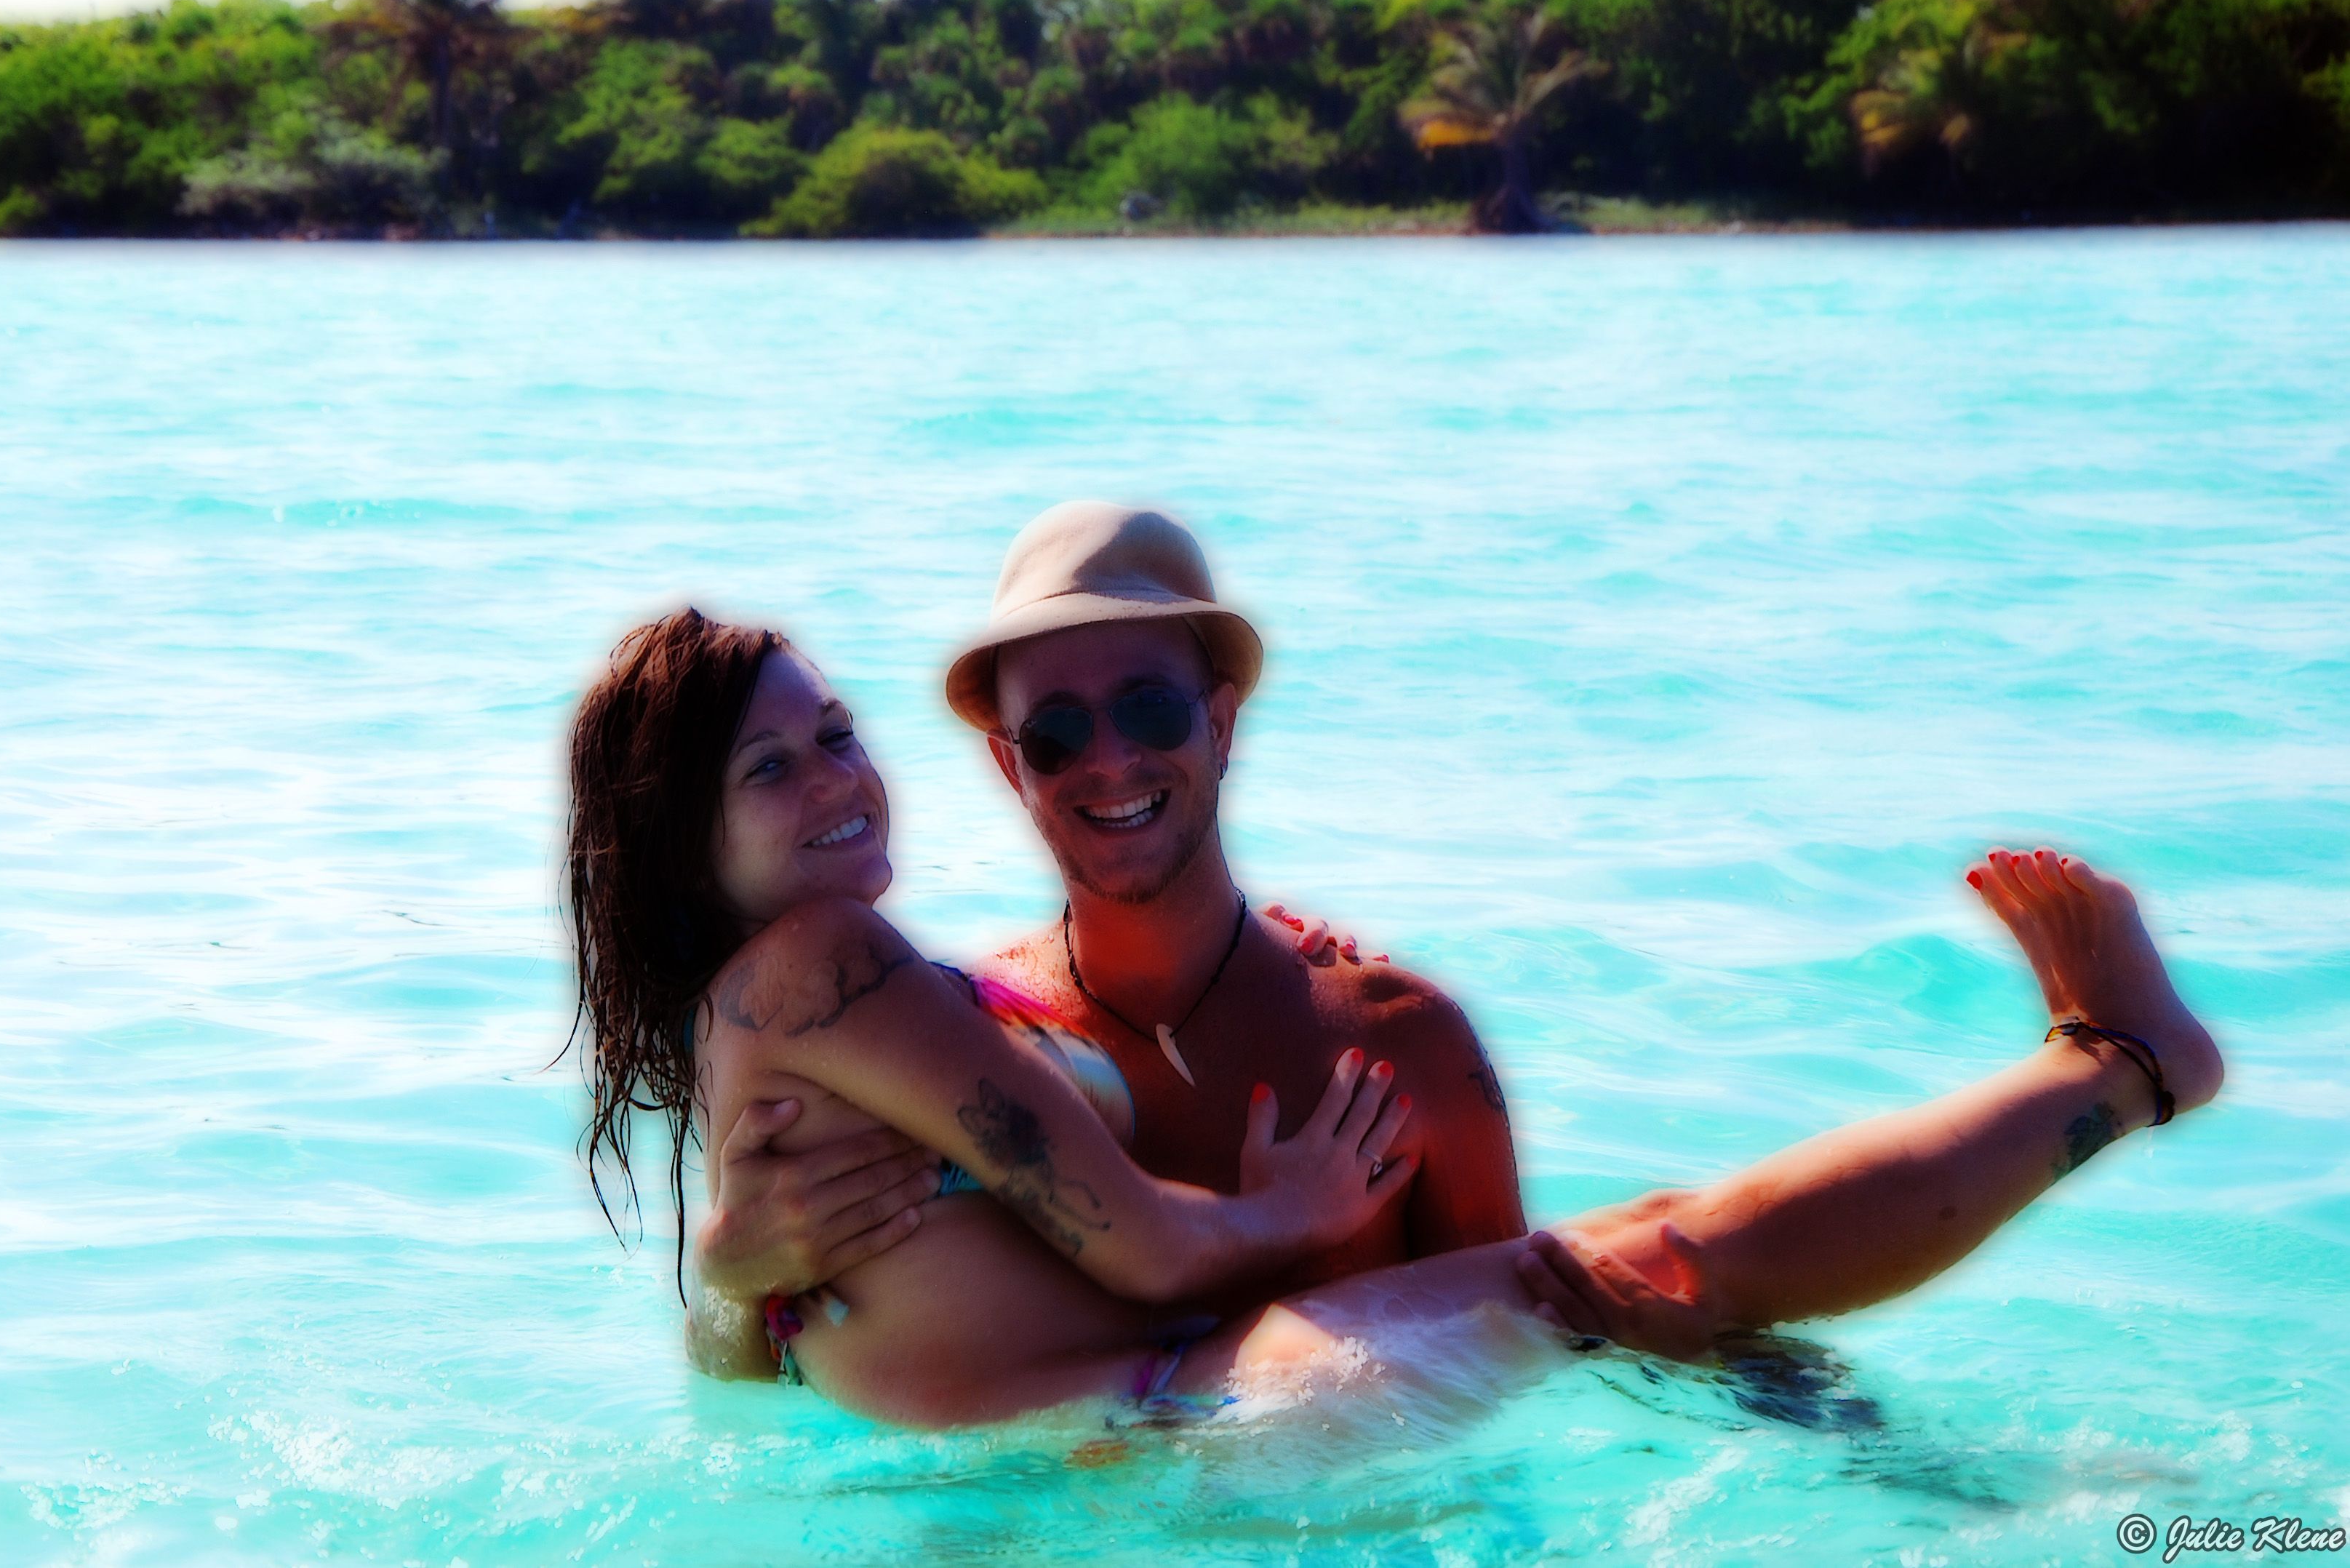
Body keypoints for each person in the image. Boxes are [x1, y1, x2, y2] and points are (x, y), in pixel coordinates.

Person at [569, 598, 2222, 1428]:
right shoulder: (825, 968)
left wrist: (726, 1286)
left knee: (1641, 1264)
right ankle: (2120, 1067)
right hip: (1162, 1433)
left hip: (1104, 1449)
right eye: (769, 767)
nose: (837, 780)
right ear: (680, 835)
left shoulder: (802, 1012)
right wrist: (1287, 1210)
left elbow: (777, 1357)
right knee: (1651, 1259)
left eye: (837, 732)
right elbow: (1140, 1248)